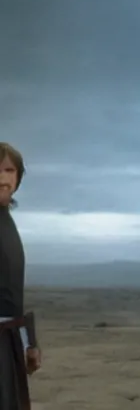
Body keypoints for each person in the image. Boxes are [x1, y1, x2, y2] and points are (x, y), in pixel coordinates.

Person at [0, 143, 40, 410]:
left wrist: (29, 341)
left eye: (9, 170)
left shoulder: (6, 221)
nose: (2, 177)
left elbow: (11, 292)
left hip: (7, 342)